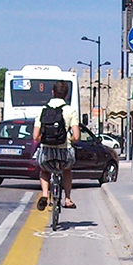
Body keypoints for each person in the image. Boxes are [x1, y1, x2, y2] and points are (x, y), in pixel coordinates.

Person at [33, 80, 80, 210]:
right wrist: (69, 138)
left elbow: (35, 136)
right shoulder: (70, 111)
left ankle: (44, 194)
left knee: (44, 170)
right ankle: (68, 199)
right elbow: (76, 136)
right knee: (67, 170)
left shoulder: (43, 110)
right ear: (66, 95)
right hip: (65, 153)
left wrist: (45, 138)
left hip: (46, 153)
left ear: (52, 92)